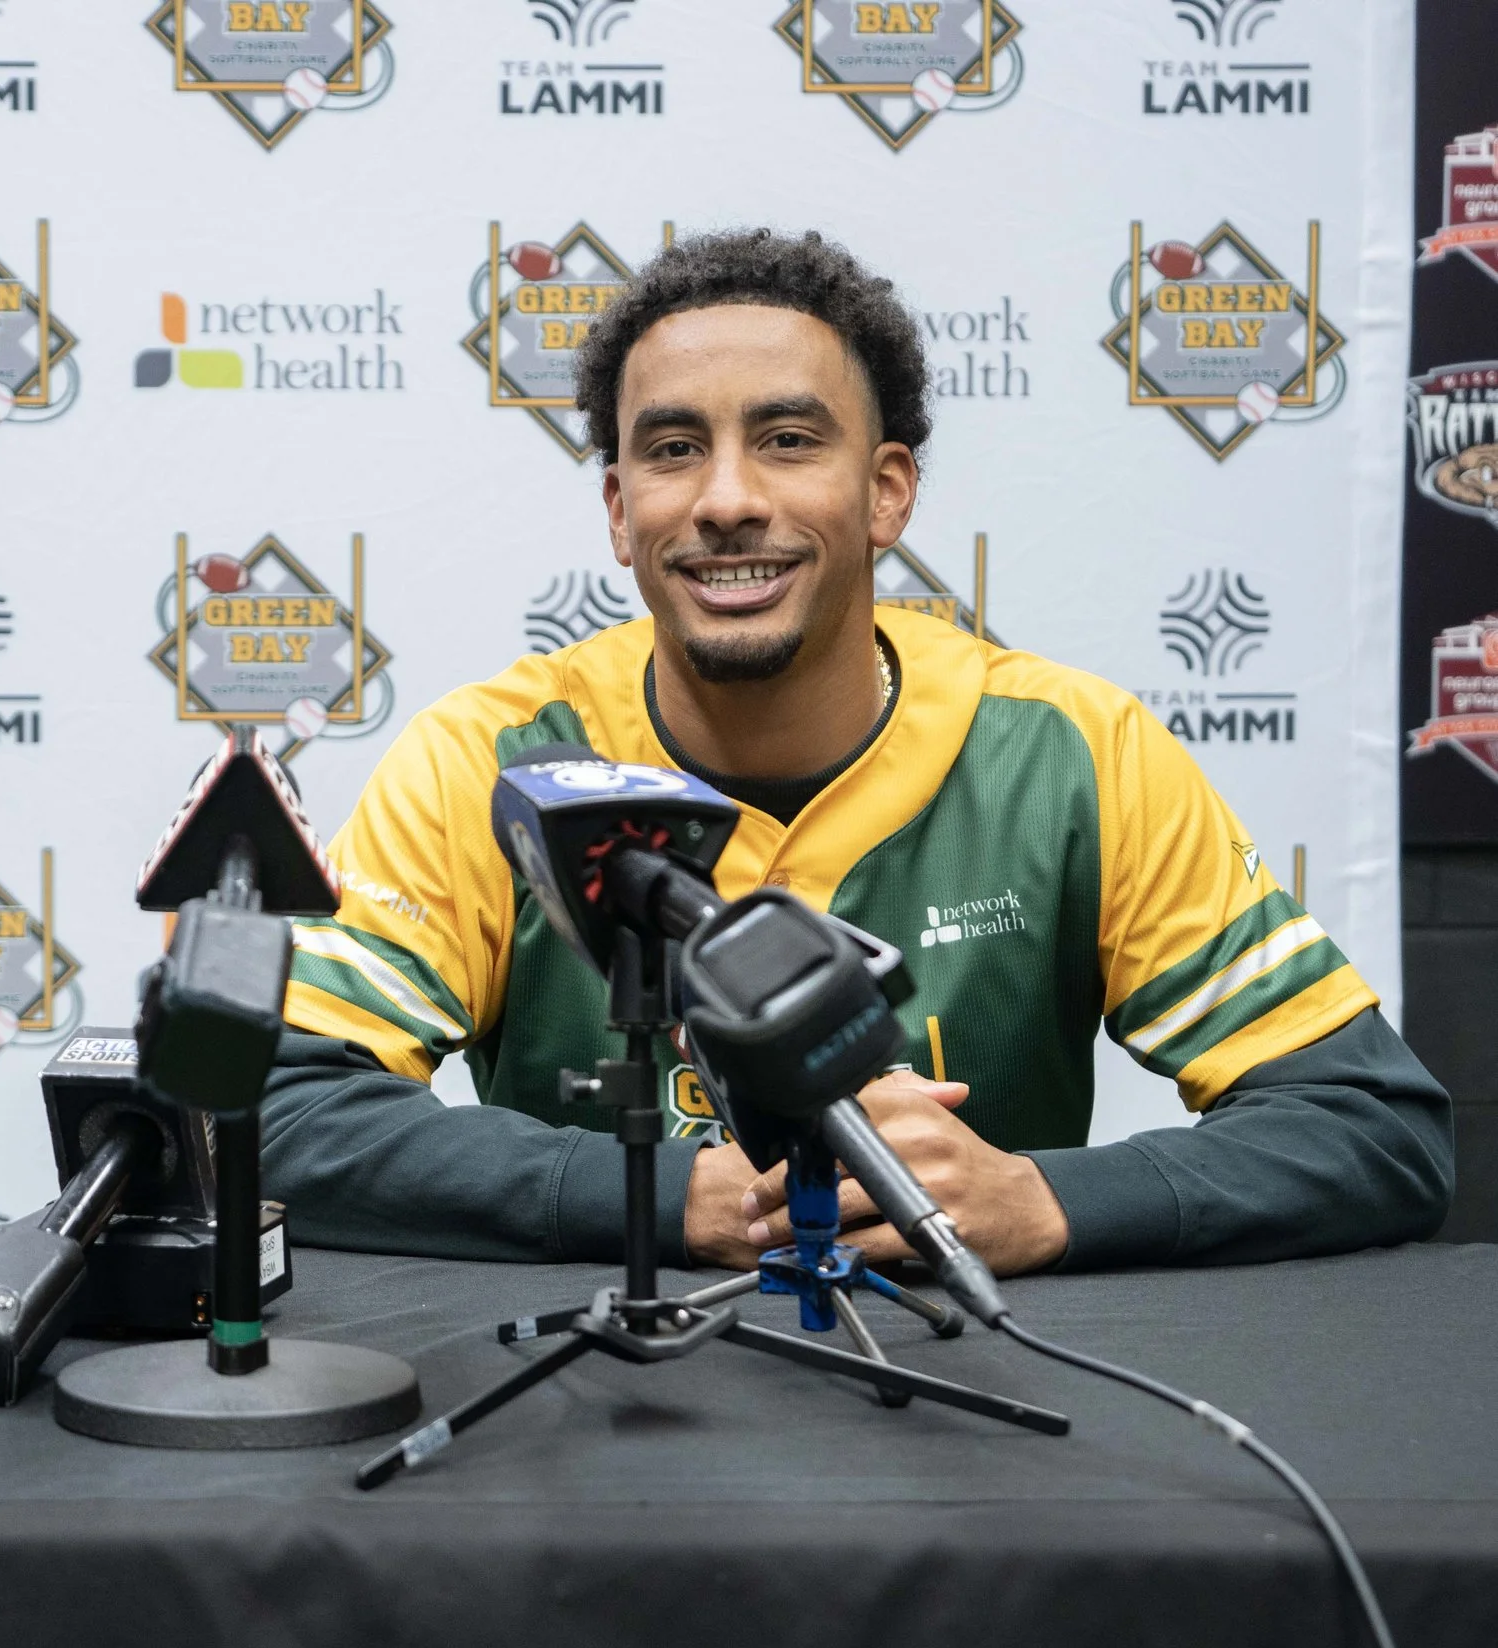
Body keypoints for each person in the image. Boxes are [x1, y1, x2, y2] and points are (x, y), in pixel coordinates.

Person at [262, 230, 1452, 1274]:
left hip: (981, 1407)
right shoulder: (495, 760)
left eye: (787, 439)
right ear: (620, 511)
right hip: (612, 1407)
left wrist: (1044, 1200)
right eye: (673, 449)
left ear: (885, 492)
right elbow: (274, 1110)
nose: (726, 498)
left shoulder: (1072, 752)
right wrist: (670, 1198)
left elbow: (1369, 1122)